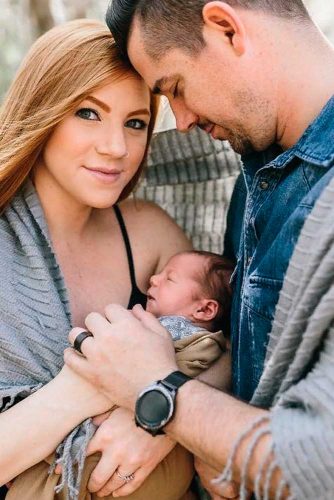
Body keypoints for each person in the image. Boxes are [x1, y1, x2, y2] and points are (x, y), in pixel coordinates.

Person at [63, 1, 334, 499]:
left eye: (175, 89)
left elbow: (321, 464)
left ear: (227, 28)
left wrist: (159, 396)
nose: (182, 121)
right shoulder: (255, 177)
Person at [0, 17, 223, 500]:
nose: (116, 147)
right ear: (43, 111)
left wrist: (159, 414)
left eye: (136, 123)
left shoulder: (148, 231)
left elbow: (223, 354)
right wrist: (94, 387)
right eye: (88, 113)